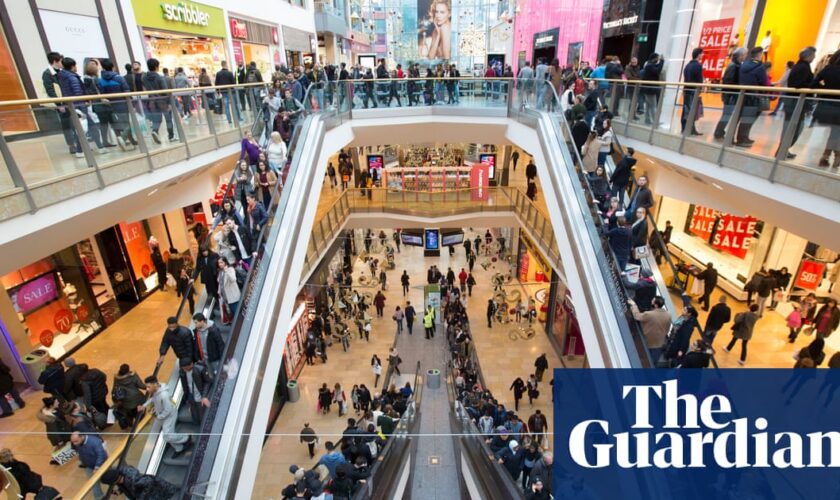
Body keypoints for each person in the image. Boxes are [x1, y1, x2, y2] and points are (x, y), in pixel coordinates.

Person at [776, 47, 815, 160]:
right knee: (794, 127)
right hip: (795, 101)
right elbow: (798, 84)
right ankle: (783, 150)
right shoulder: (803, 68)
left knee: (792, 127)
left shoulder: (800, 66)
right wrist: (812, 85)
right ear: (808, 56)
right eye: (813, 55)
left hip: (794, 101)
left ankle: (784, 149)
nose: (814, 57)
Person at [140, 375, 192, 456]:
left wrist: (159, 417)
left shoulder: (164, 395)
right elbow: (153, 399)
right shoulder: (156, 391)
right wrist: (144, 405)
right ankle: (179, 448)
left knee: (167, 436)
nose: (147, 389)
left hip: (169, 416)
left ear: (155, 384)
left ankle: (186, 438)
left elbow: (168, 410)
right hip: (163, 415)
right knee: (168, 434)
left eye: (148, 387)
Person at [733, 47, 768, 146]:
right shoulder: (760, 67)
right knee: (749, 118)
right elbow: (764, 82)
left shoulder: (744, 65)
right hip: (754, 97)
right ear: (759, 54)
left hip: (742, 95)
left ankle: (740, 137)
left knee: (741, 117)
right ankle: (742, 138)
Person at [812, 49, 840, 167]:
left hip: (826, 106)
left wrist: (825, 89)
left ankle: (826, 156)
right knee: (836, 133)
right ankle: (835, 157)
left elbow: (813, 84)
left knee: (835, 133)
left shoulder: (828, 68)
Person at [714, 48, 747, 139]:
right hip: (731, 95)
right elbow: (728, 81)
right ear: (740, 56)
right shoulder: (734, 66)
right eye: (744, 55)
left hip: (730, 95)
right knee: (727, 114)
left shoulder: (735, 65)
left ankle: (720, 131)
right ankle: (719, 132)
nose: (745, 56)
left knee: (727, 114)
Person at [141, 58, 175, 144]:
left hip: (152, 100)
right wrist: (169, 103)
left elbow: (145, 89)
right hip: (162, 101)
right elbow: (165, 91)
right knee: (168, 119)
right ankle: (171, 137)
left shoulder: (144, 78)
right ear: (157, 66)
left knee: (157, 119)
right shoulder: (160, 78)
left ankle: (155, 131)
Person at [628, 297, 671, 361]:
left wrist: (634, 305)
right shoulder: (668, 315)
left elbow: (637, 316)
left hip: (648, 343)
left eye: (653, 301)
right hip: (659, 344)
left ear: (656, 305)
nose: (651, 301)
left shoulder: (650, 314)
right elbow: (667, 329)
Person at [100, 464, 179, 499]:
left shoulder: (133, 480)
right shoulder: (120, 477)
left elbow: (149, 481)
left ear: (113, 482)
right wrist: (120, 491)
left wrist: (141, 498)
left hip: (157, 493)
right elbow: (125, 485)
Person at [71, 431, 108, 498]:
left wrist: (97, 466)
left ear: (82, 437)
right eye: (73, 442)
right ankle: (99, 497)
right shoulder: (78, 443)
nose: (74, 444)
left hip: (102, 464)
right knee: (93, 483)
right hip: (89, 466)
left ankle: (121, 488)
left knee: (110, 477)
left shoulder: (95, 442)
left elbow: (101, 455)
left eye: (76, 441)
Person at [111, 364, 146, 429]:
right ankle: (138, 423)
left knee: (130, 412)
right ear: (128, 369)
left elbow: (114, 390)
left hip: (126, 402)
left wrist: (115, 399)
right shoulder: (133, 375)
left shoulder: (117, 378)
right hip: (137, 399)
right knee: (140, 413)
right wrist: (148, 387)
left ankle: (131, 423)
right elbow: (141, 385)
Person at [178, 358, 212, 424]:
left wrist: (204, 396)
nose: (185, 370)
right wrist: (188, 401)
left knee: (204, 418)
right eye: (183, 368)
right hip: (192, 397)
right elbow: (185, 386)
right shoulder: (182, 372)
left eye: (186, 368)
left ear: (191, 364)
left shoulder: (200, 369)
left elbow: (208, 382)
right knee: (195, 418)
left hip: (200, 397)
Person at [682, 47, 705, 135]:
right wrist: (700, 89)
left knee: (686, 109)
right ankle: (690, 129)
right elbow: (699, 80)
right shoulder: (698, 65)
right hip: (693, 91)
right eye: (702, 53)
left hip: (687, 90)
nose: (703, 55)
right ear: (698, 54)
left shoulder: (688, 65)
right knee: (691, 111)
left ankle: (686, 128)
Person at [639, 53, 664, 126]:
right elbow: (657, 70)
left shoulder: (649, 65)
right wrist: (662, 61)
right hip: (650, 89)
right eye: (657, 58)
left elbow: (657, 67)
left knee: (648, 105)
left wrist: (660, 62)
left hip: (648, 89)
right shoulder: (649, 66)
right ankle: (655, 122)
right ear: (654, 58)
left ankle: (647, 119)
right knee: (653, 105)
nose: (658, 60)